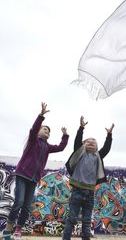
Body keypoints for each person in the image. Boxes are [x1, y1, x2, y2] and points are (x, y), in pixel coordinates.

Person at [2, 102, 69, 240]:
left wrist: (65, 136)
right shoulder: (33, 141)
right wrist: (41, 116)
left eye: (49, 131)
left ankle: (18, 231)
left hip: (34, 178)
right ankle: (7, 230)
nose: (47, 131)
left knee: (27, 206)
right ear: (39, 131)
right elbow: (33, 130)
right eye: (45, 129)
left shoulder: (48, 147)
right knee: (19, 202)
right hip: (23, 174)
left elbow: (61, 147)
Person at [63, 116, 114, 240]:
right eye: (88, 141)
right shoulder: (80, 154)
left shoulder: (98, 156)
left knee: (87, 221)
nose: (91, 142)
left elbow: (106, 149)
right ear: (83, 145)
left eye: (94, 142)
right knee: (72, 218)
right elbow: (77, 143)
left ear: (97, 148)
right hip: (77, 191)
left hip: (90, 193)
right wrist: (81, 128)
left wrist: (109, 135)